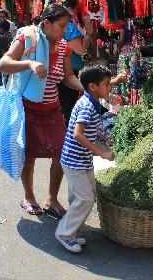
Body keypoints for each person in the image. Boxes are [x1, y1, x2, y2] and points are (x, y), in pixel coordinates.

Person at [0, 4, 84, 218]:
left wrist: (89, 88)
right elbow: (3, 64)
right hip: (27, 108)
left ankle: (51, 199)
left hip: (52, 109)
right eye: (62, 26)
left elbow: (68, 77)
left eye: (67, 26)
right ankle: (29, 196)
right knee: (29, 156)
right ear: (46, 23)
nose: (65, 31)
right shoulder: (29, 39)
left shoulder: (64, 47)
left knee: (61, 154)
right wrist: (28, 63)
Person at [55, 66, 116, 252]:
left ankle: (73, 231)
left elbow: (95, 128)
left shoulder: (92, 102)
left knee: (81, 196)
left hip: (81, 160)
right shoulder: (87, 105)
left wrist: (107, 140)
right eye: (107, 85)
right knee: (86, 198)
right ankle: (64, 234)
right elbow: (77, 134)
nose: (109, 88)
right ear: (92, 86)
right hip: (75, 161)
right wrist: (101, 152)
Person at [58, 0, 94, 124]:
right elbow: (80, 50)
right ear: (71, 9)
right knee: (68, 106)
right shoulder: (69, 27)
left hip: (59, 69)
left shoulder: (59, 24)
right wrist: (89, 34)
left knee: (63, 105)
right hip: (69, 70)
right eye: (76, 9)